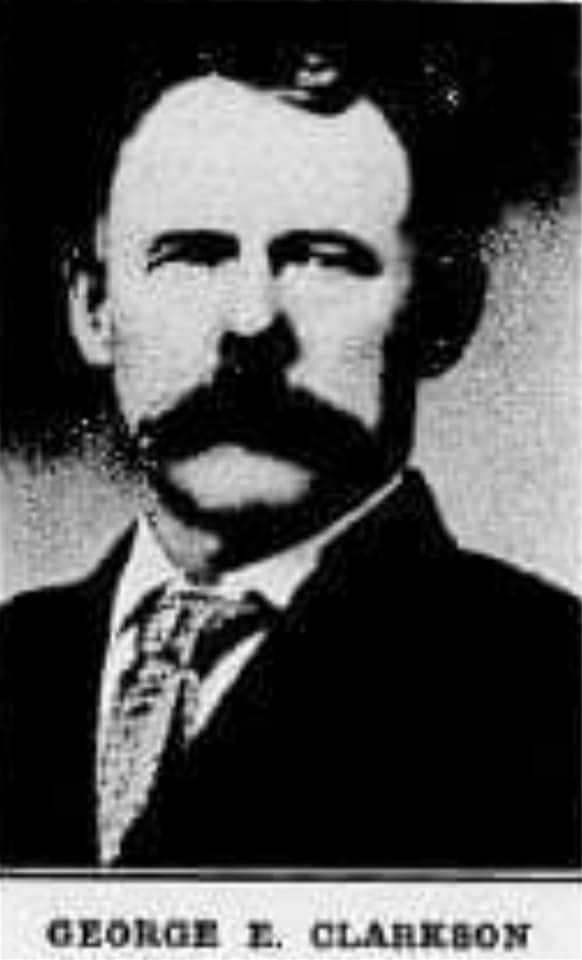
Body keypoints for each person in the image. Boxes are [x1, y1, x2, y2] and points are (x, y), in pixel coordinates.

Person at [0, 39, 579, 870]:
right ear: (95, 308)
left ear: (443, 314)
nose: (250, 323)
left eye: (319, 259)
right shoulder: (19, 656)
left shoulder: (550, 686)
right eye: (191, 255)